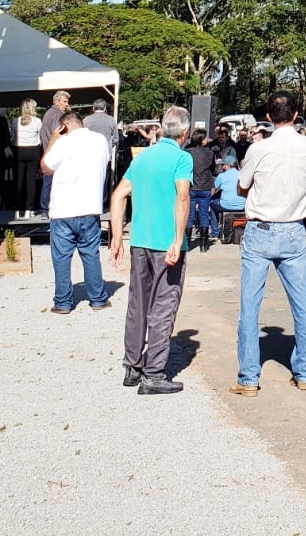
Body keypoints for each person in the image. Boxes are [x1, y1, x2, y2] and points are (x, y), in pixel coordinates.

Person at [230, 90, 306, 397]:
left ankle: (249, 378)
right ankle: (304, 372)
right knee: (302, 304)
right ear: (296, 115)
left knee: (250, 306)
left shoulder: (258, 149)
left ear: (268, 117)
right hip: (293, 228)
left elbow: (242, 186)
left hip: (261, 228)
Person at [108, 105, 193, 395]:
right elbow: (183, 196)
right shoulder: (182, 158)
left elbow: (119, 194)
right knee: (163, 305)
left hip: (140, 241)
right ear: (185, 132)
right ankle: (154, 374)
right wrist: (178, 240)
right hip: (166, 243)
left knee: (138, 304)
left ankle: (132, 366)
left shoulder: (143, 157)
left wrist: (117, 236)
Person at [41, 111, 112, 314]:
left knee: (62, 257)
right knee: (90, 254)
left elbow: (45, 167)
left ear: (64, 126)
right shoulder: (100, 141)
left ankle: (63, 302)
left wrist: (53, 138)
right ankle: (97, 298)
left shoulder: (63, 142)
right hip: (90, 206)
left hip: (64, 208)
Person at [186, 123, 219, 249]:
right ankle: (204, 245)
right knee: (204, 214)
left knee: (189, 214)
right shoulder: (210, 153)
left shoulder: (188, 152)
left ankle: (188, 243)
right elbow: (213, 169)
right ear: (201, 139)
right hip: (205, 186)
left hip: (192, 186)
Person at [38, 91, 72, 214]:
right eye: (64, 101)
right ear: (56, 102)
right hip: (55, 151)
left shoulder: (49, 113)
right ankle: (47, 207)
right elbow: (58, 133)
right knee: (53, 181)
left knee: (48, 181)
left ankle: (45, 207)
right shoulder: (57, 115)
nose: (66, 104)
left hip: (49, 149)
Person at [13, 98, 44, 214]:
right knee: (30, 181)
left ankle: (17, 208)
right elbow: (40, 137)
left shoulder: (16, 121)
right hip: (33, 150)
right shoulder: (37, 121)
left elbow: (13, 137)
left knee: (18, 180)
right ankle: (28, 209)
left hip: (19, 150)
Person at [212, 159, 247, 243]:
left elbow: (213, 190)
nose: (222, 166)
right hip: (242, 206)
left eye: (223, 165)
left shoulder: (221, 176)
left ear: (227, 166)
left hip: (226, 205)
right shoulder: (242, 175)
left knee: (212, 205)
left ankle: (215, 233)